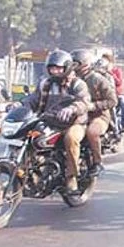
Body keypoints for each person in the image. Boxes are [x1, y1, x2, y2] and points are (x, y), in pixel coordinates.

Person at [21, 50, 91, 194]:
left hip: (74, 123)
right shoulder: (45, 83)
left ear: (67, 68)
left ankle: (72, 178)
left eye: (58, 68)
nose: (55, 71)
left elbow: (84, 102)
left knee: (71, 139)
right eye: (52, 68)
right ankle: (33, 172)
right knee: (30, 138)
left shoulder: (78, 84)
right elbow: (34, 99)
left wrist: (72, 108)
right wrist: (21, 105)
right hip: (50, 121)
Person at [71, 49, 118, 177]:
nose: (73, 66)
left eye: (76, 63)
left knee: (92, 132)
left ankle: (97, 162)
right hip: (76, 115)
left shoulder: (98, 79)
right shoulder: (70, 79)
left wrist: (93, 106)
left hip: (98, 116)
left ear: (85, 64)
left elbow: (112, 100)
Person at [98, 53, 124, 133]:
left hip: (117, 94)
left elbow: (119, 82)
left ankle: (123, 124)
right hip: (106, 95)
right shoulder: (100, 70)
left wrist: (110, 73)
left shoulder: (117, 70)